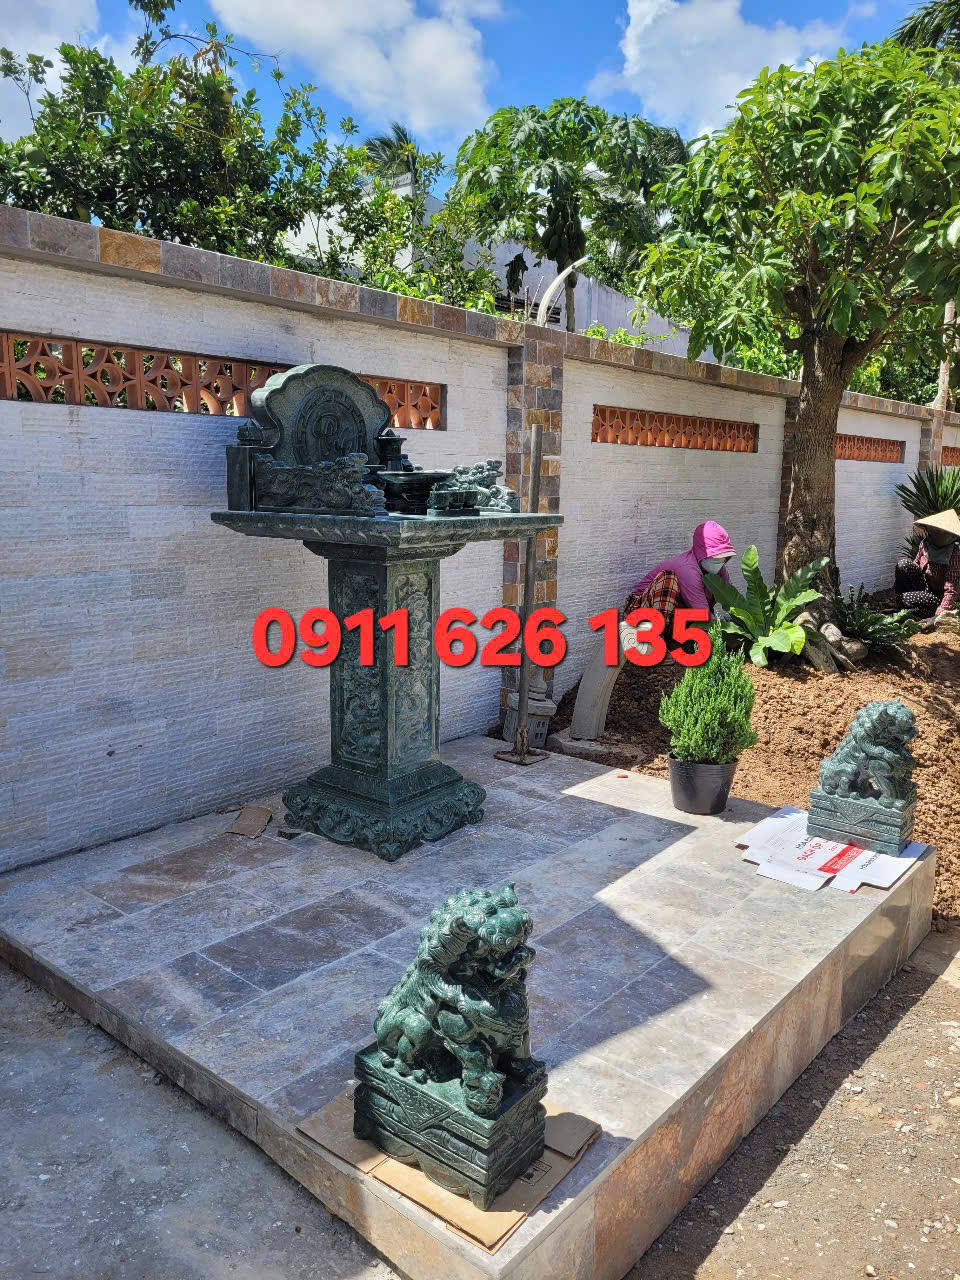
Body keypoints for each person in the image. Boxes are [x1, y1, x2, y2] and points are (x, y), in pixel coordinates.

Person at [624, 519, 736, 629]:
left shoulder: (719, 569)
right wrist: (723, 631)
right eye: (715, 557)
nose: (719, 562)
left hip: (677, 615)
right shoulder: (687, 569)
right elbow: (703, 613)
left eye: (724, 558)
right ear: (701, 552)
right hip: (641, 611)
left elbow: (731, 598)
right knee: (668, 579)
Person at [895, 508, 960, 625]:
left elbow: (951, 590)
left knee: (905, 599)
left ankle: (922, 611)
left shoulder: (954, 553)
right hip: (925, 588)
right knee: (903, 565)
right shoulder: (926, 543)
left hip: (939, 598)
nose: (931, 533)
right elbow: (915, 566)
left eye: (937, 531)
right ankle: (904, 605)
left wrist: (937, 617)